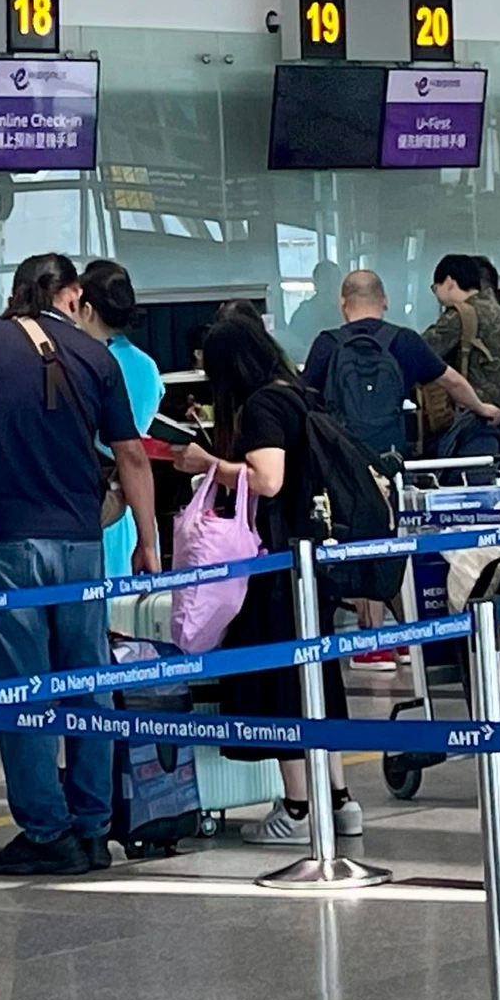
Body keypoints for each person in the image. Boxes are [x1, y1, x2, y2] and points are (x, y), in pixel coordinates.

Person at [0, 253, 160, 877]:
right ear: (71, 296)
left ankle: (47, 831)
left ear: (14, 293)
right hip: (80, 544)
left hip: (4, 541)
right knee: (87, 684)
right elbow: (130, 456)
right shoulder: (98, 356)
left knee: (21, 689)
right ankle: (94, 828)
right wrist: (149, 542)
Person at [179, 315, 363, 847]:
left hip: (273, 562)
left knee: (281, 681)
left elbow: (268, 478)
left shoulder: (261, 405)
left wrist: (208, 463)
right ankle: (339, 799)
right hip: (311, 558)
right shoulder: (301, 395)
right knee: (316, 678)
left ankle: (300, 807)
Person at [303, 270, 500, 456]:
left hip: (340, 453)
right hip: (390, 451)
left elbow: (305, 398)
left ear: (342, 303)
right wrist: (481, 408)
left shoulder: (327, 343)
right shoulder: (404, 340)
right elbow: (452, 382)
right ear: (384, 302)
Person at [73, 261, 163, 579]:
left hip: (95, 502)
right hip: (137, 504)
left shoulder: (84, 364)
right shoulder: (148, 366)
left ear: (86, 308)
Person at [422, 253, 500, 445]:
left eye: (435, 288)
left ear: (449, 282)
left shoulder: (460, 315)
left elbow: (421, 353)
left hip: (481, 428)